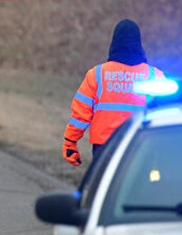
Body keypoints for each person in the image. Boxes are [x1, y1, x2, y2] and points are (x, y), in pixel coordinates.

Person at [63, 19, 166, 167]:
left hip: (104, 146)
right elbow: (166, 112)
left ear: (114, 43)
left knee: (105, 181)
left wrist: (70, 142)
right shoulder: (154, 76)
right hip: (140, 145)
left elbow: (81, 113)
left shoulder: (97, 74)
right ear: (138, 43)